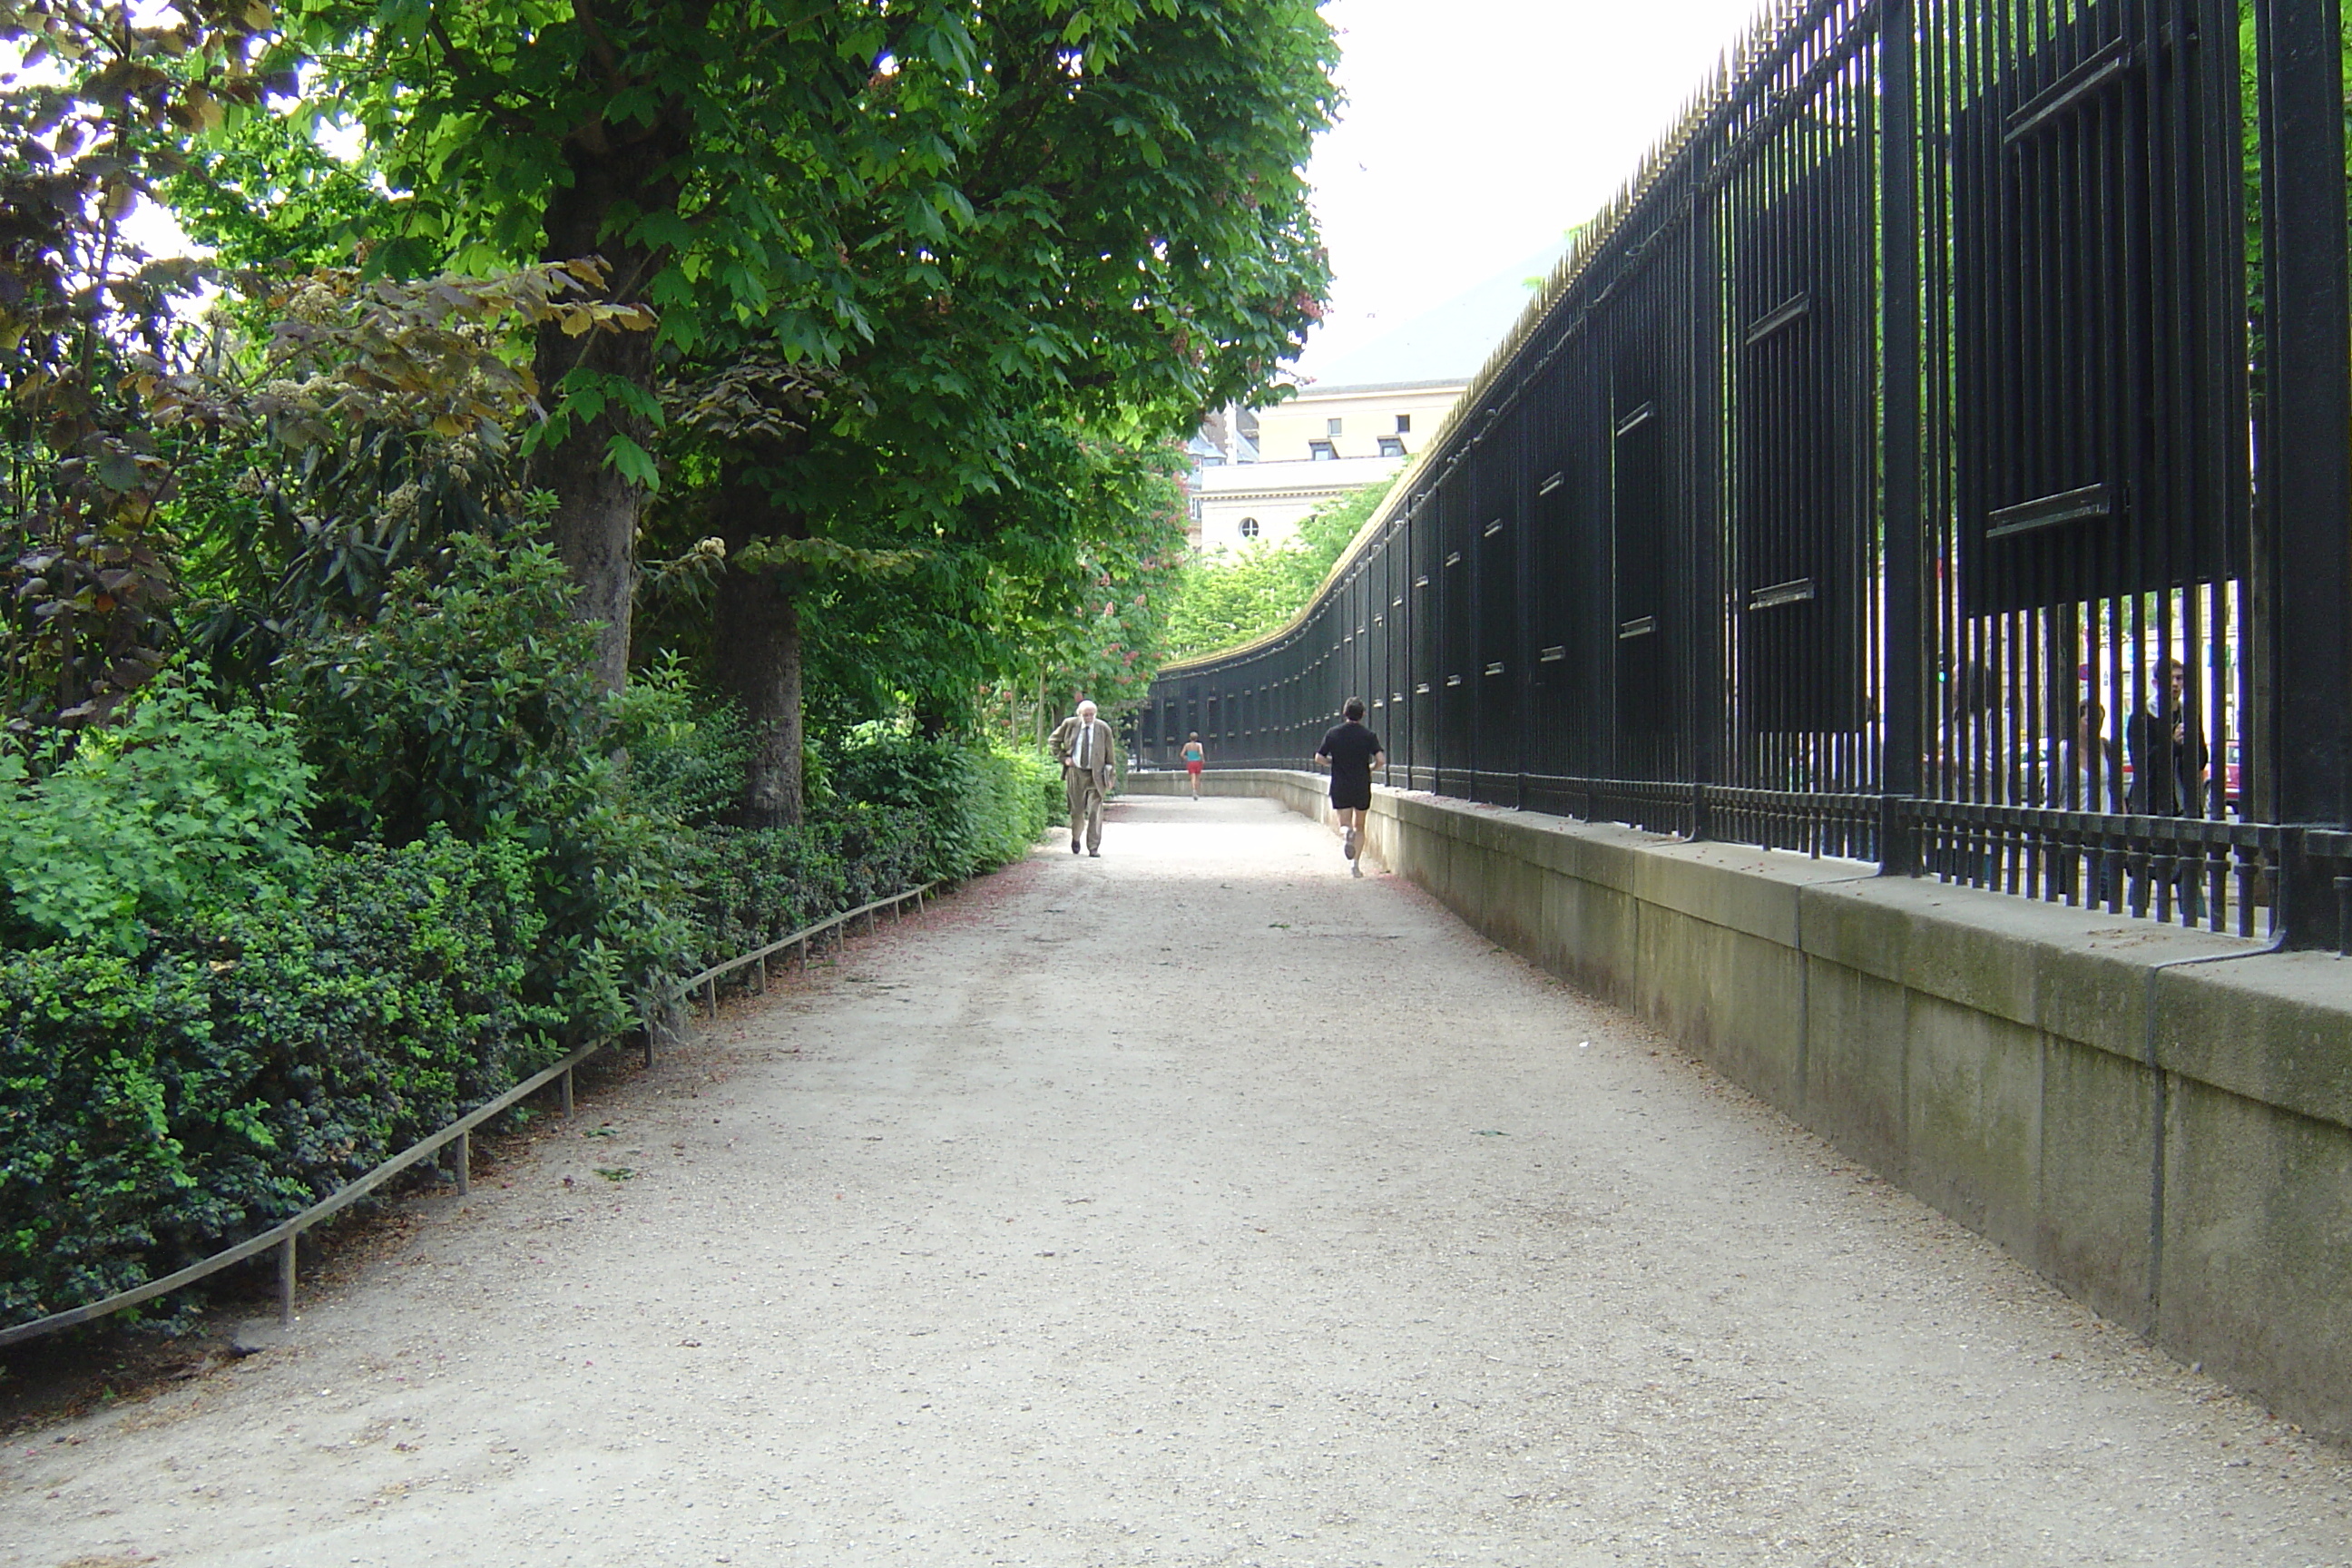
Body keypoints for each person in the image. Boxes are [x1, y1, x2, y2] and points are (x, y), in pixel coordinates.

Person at [2126, 658, 2210, 919]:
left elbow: (2201, 759)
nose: (2175, 684)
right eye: (2169, 679)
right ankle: (2137, 917)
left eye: (2180, 678)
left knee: (2188, 867)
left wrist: (2191, 744)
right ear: (2155, 683)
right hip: (2150, 806)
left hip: (2184, 805)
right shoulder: (2142, 717)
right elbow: (2144, 763)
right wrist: (2171, 744)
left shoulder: (2188, 714)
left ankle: (2195, 920)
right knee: (2144, 867)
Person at [1313, 697, 1385, 878]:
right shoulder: (1368, 735)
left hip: (1341, 783)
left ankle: (1347, 834)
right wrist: (1371, 768)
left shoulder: (1333, 733)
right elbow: (1381, 760)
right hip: (1361, 783)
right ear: (1363, 715)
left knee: (1344, 823)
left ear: (1345, 713)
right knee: (1360, 825)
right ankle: (1356, 865)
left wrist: (1332, 763)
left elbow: (1319, 758)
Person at [1050, 699, 1116, 858]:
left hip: (1097, 775)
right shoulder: (1070, 724)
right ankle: (1076, 837)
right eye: (1085, 715)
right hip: (1076, 773)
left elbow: (1110, 754)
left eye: (1091, 714)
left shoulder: (1103, 728)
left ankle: (1093, 847)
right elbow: (1053, 741)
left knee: (1095, 812)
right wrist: (1064, 758)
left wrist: (1112, 776)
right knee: (1077, 811)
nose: (1089, 718)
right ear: (1079, 715)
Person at [1181, 732, 1205, 799]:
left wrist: (1187, 758)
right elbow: (1201, 753)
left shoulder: (1187, 745)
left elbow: (1182, 754)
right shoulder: (1199, 745)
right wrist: (1203, 760)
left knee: (1192, 777)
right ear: (1197, 738)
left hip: (1190, 762)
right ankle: (1196, 792)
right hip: (1197, 762)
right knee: (1197, 778)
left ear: (1189, 738)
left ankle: (1193, 790)